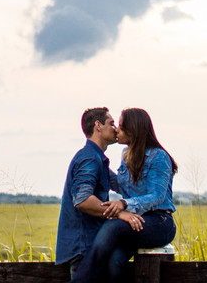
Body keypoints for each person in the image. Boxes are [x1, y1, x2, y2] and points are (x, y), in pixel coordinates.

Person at [70, 108, 177, 283]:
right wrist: (99, 165)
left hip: (159, 222)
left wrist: (124, 205)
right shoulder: (126, 155)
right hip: (134, 221)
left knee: (113, 226)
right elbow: (121, 184)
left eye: (120, 125)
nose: (116, 129)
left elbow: (157, 196)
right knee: (115, 261)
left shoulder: (158, 156)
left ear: (133, 129)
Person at [56, 107, 118, 273]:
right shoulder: (89, 159)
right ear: (98, 125)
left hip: (88, 248)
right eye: (111, 123)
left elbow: (124, 185)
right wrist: (119, 212)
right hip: (84, 248)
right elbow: (83, 200)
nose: (116, 128)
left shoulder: (96, 158)